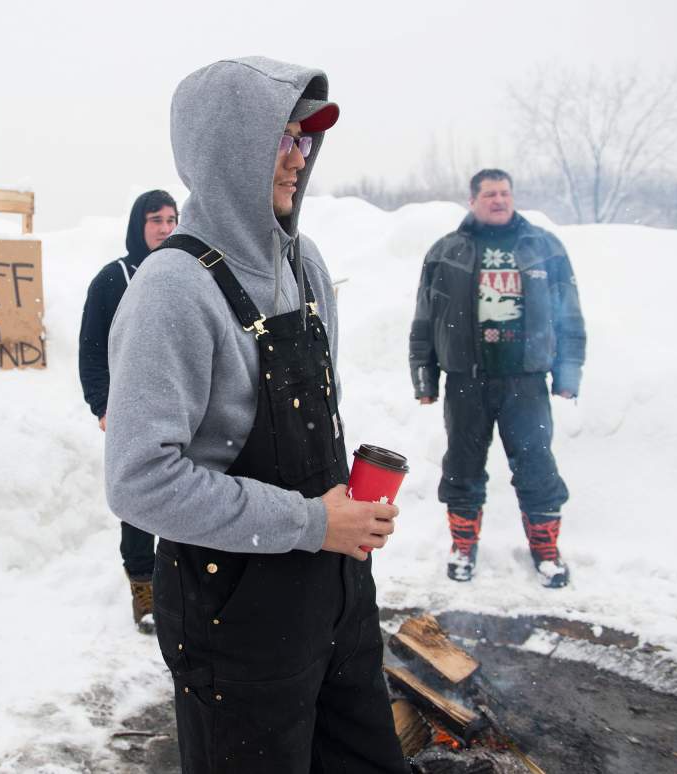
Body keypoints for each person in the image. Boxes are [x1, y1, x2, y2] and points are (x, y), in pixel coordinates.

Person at [105, 57, 409, 773]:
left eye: (306, 141)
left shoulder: (305, 267)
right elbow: (139, 481)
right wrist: (311, 521)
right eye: (282, 138)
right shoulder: (172, 289)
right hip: (234, 622)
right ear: (225, 149)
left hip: (336, 603)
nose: (298, 159)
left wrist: (348, 515)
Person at [409, 169, 586, 588]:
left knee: (537, 467)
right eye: (489, 194)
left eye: (505, 193)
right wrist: (424, 378)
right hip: (465, 382)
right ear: (473, 200)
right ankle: (462, 548)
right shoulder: (446, 251)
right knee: (462, 468)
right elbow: (424, 318)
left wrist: (568, 373)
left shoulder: (544, 248)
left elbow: (570, 315)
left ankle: (546, 551)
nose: (499, 200)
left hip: (526, 382)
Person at [78, 189, 178, 634]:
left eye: (172, 218)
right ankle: (145, 590)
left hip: (184, 409)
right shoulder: (112, 279)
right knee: (139, 505)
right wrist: (102, 404)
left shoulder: (189, 271)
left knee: (187, 499)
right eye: (155, 219)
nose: (165, 228)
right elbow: (91, 349)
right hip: (132, 412)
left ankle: (180, 585)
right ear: (138, 225)